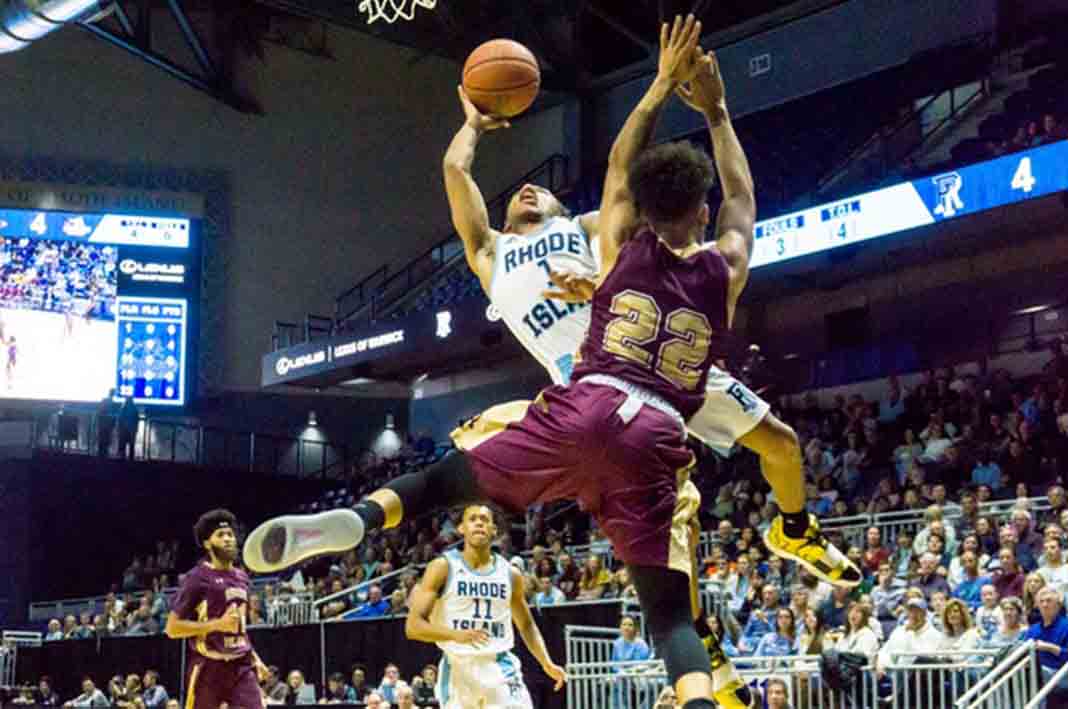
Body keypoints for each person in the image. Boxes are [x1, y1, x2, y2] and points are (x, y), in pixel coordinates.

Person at [243, 17, 856, 709]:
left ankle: (790, 535)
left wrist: (599, 283)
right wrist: (473, 126)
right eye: (517, 196)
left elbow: (627, 189)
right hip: (624, 392)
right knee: (670, 548)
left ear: (573, 205)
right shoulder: (492, 255)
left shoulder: (590, 230)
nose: (528, 193)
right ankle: (703, 664)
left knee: (778, 444)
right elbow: (461, 173)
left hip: (614, 385)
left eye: (539, 191)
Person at [403, 504, 565, 708]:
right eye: (472, 519)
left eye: (484, 519)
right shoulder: (443, 567)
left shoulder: (510, 574)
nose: (479, 523)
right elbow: (413, 626)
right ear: (461, 528)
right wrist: (455, 635)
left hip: (499, 665)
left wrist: (546, 662)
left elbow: (526, 625)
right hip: (457, 666)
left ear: (494, 530)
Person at [164, 509, 270, 709]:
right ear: (207, 544)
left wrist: (255, 658)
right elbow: (172, 628)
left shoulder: (242, 577)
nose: (228, 539)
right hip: (208, 668)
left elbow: (239, 627)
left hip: (241, 666)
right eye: (220, 535)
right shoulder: (196, 578)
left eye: (230, 534)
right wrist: (217, 624)